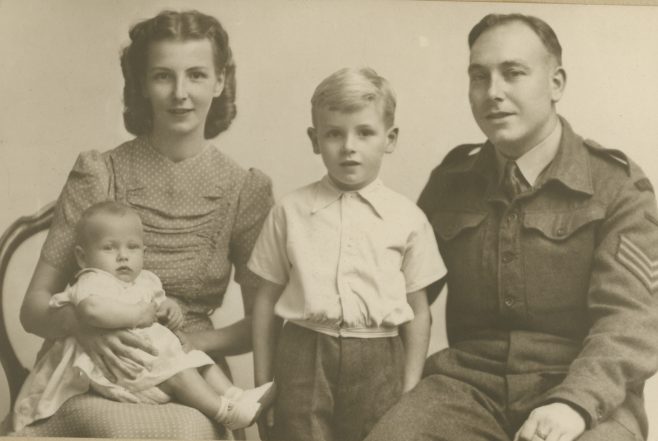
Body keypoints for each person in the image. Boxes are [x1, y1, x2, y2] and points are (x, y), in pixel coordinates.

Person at [364, 13, 658, 441]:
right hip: (464, 387)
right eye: (478, 77)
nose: (493, 93)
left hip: (583, 390)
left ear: (556, 83)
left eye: (513, 73)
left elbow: (631, 322)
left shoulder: (616, 186)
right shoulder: (450, 182)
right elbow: (397, 301)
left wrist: (574, 404)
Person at [17, 9, 273, 437]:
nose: (180, 93)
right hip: (92, 368)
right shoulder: (100, 173)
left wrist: (193, 344)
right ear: (141, 84)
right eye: (162, 76)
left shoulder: (244, 189)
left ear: (220, 81)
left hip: (190, 378)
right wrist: (85, 327)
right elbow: (33, 307)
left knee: (185, 431)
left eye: (196, 74)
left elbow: (259, 324)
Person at [249, 67, 447, 441]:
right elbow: (265, 302)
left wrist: (409, 388)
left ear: (390, 139)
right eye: (334, 133)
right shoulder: (290, 211)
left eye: (365, 132)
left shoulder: (408, 219)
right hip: (304, 354)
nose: (348, 146)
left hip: (379, 360)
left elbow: (419, 311)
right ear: (314, 139)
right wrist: (263, 384)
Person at [13, 201, 274, 432]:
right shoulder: (93, 280)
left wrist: (169, 309)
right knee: (179, 372)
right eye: (109, 248)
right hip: (118, 364)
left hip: (149, 356)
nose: (123, 255)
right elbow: (90, 310)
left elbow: (157, 303)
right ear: (83, 258)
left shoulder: (143, 281)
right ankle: (223, 411)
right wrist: (138, 315)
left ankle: (235, 395)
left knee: (196, 359)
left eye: (133, 247)